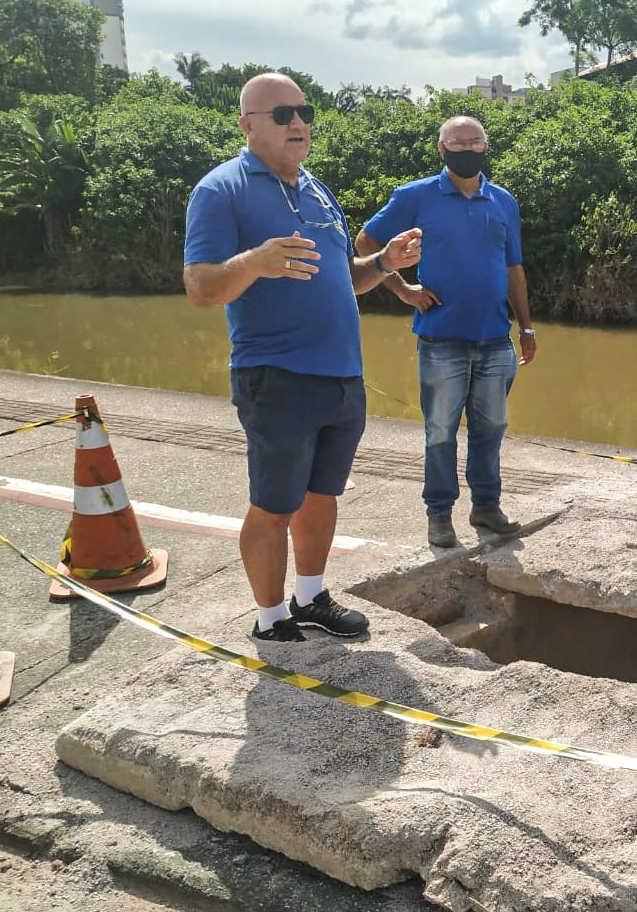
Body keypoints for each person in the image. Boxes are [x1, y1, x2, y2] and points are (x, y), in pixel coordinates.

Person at [184, 72, 422, 642]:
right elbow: (200, 286)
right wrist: (255, 262)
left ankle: (311, 596)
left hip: (341, 377)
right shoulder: (221, 190)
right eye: (283, 114)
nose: (299, 123)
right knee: (273, 503)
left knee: (322, 496)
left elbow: (347, 278)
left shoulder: (315, 188)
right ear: (247, 125)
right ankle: (270, 621)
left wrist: (385, 263)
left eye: (304, 112)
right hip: (278, 377)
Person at [355, 116, 535, 549]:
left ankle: (486, 507)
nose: (467, 149)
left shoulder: (503, 201)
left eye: (475, 142)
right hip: (441, 338)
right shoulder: (415, 196)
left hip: (495, 337)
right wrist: (402, 290)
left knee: (491, 428)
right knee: (440, 431)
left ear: (486, 146)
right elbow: (365, 242)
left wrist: (525, 325)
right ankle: (439, 515)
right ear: (441, 149)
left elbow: (514, 268)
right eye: (458, 142)